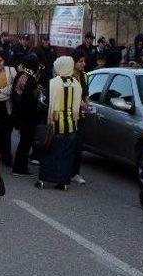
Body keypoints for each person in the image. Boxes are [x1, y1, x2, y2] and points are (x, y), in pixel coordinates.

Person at [36, 56, 81, 190]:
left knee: (49, 152)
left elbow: (44, 102)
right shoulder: (76, 83)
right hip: (72, 124)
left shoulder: (53, 83)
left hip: (55, 123)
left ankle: (44, 179)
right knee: (66, 155)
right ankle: (63, 182)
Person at [11, 55, 42, 175]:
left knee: (23, 141)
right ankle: (20, 168)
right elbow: (29, 100)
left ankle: (19, 166)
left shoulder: (20, 75)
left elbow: (15, 95)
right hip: (28, 116)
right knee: (26, 142)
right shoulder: (31, 79)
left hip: (19, 114)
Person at [71, 50, 89, 185]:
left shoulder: (85, 76)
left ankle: (75, 172)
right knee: (68, 144)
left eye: (84, 61)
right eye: (80, 61)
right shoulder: (68, 75)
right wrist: (78, 102)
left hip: (81, 115)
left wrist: (86, 104)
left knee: (78, 145)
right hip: (68, 114)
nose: (83, 64)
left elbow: (86, 94)